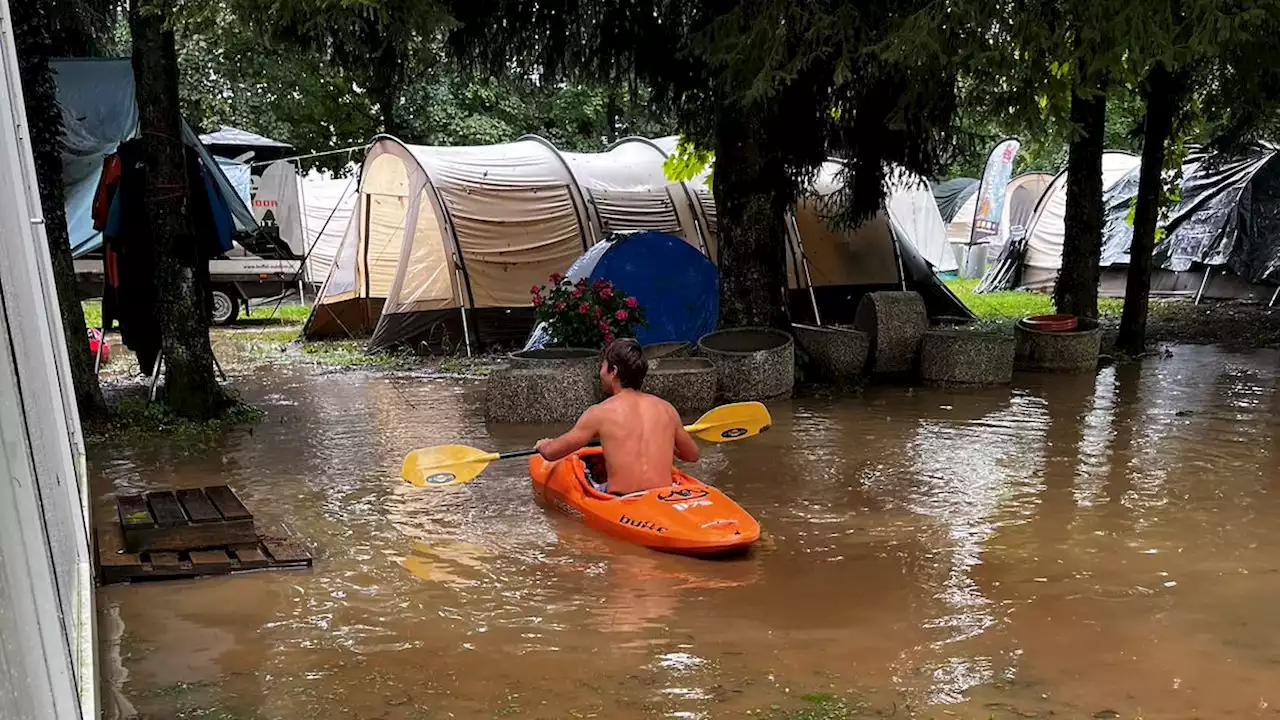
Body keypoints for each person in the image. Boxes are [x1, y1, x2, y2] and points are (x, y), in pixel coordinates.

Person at [535, 338, 698, 495]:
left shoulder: (599, 413)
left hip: (623, 500)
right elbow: (692, 455)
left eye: (602, 366)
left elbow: (553, 454)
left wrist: (544, 445)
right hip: (662, 497)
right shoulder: (667, 409)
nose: (600, 372)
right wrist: (666, 440)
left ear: (613, 371)